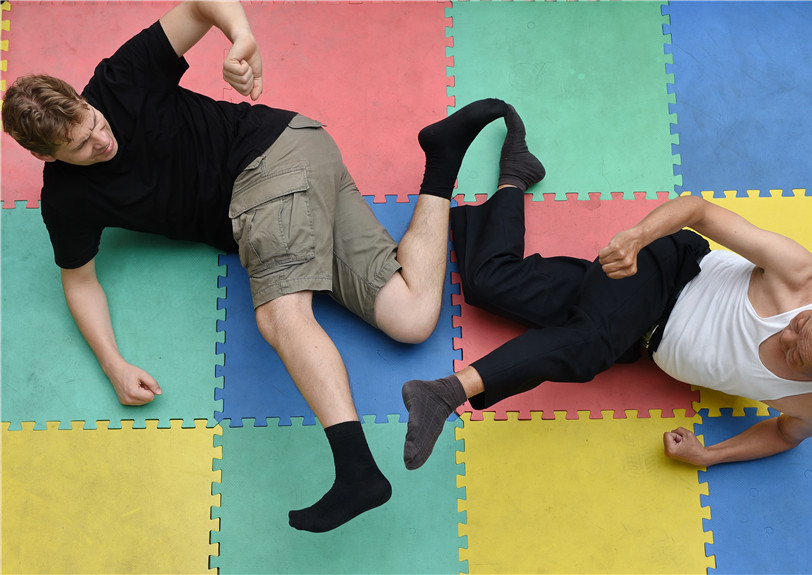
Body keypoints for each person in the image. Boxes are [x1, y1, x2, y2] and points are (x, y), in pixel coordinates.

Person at [1, 1, 510, 532]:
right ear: (48, 158)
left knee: (280, 316)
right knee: (412, 318)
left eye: (95, 123)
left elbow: (202, 4)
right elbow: (79, 281)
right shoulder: (66, 201)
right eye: (82, 146)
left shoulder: (119, 79)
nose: (101, 140)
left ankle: (358, 472)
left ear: (87, 102)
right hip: (298, 181)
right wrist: (114, 364)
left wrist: (240, 36)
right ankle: (443, 160)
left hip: (268, 160)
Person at [402, 107, 812, 471]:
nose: (788, 335)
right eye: (801, 324)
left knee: (491, 283)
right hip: (664, 273)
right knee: (587, 345)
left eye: (796, 357)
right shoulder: (799, 275)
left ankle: (515, 177)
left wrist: (710, 456)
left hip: (634, 336)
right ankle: (446, 393)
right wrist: (639, 236)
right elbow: (698, 210)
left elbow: (786, 434)